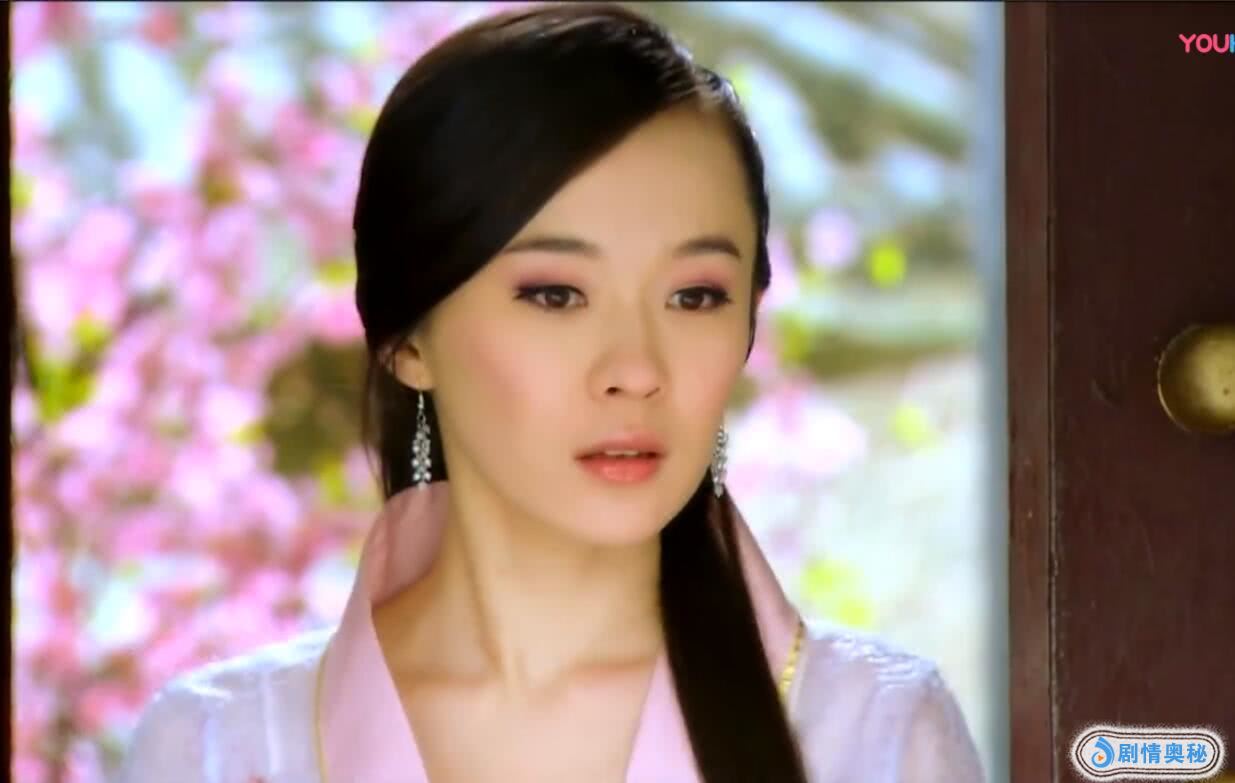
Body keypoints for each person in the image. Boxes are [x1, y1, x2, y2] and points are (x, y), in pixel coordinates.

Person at [118, 4, 986, 782]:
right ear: (408, 338)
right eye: (555, 295)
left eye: (694, 296)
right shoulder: (218, 749)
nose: (635, 368)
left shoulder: (873, 737)